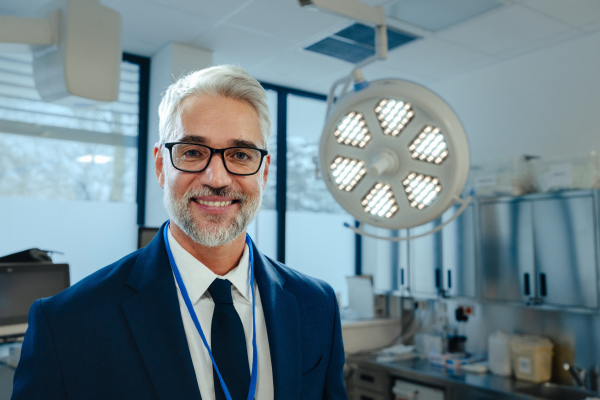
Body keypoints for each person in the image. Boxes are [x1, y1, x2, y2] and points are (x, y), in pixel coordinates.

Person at [11, 65, 347, 400]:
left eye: (241, 154)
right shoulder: (68, 324)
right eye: (193, 152)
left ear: (264, 172)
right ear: (160, 166)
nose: (217, 179)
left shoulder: (316, 305)